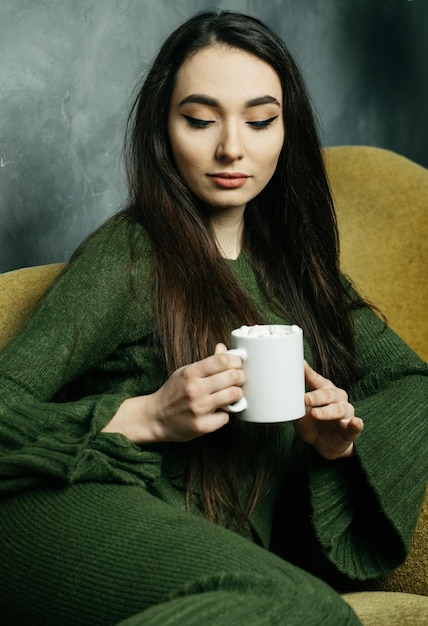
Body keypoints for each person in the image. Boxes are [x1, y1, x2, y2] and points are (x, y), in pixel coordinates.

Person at [0, 10, 426, 626]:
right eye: (200, 120)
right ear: (163, 129)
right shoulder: (131, 255)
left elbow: (411, 382)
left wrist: (333, 445)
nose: (232, 147)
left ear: (288, 129)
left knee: (313, 610)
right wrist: (148, 415)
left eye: (260, 121)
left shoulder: (297, 273)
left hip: (195, 549)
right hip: (69, 500)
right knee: (309, 611)